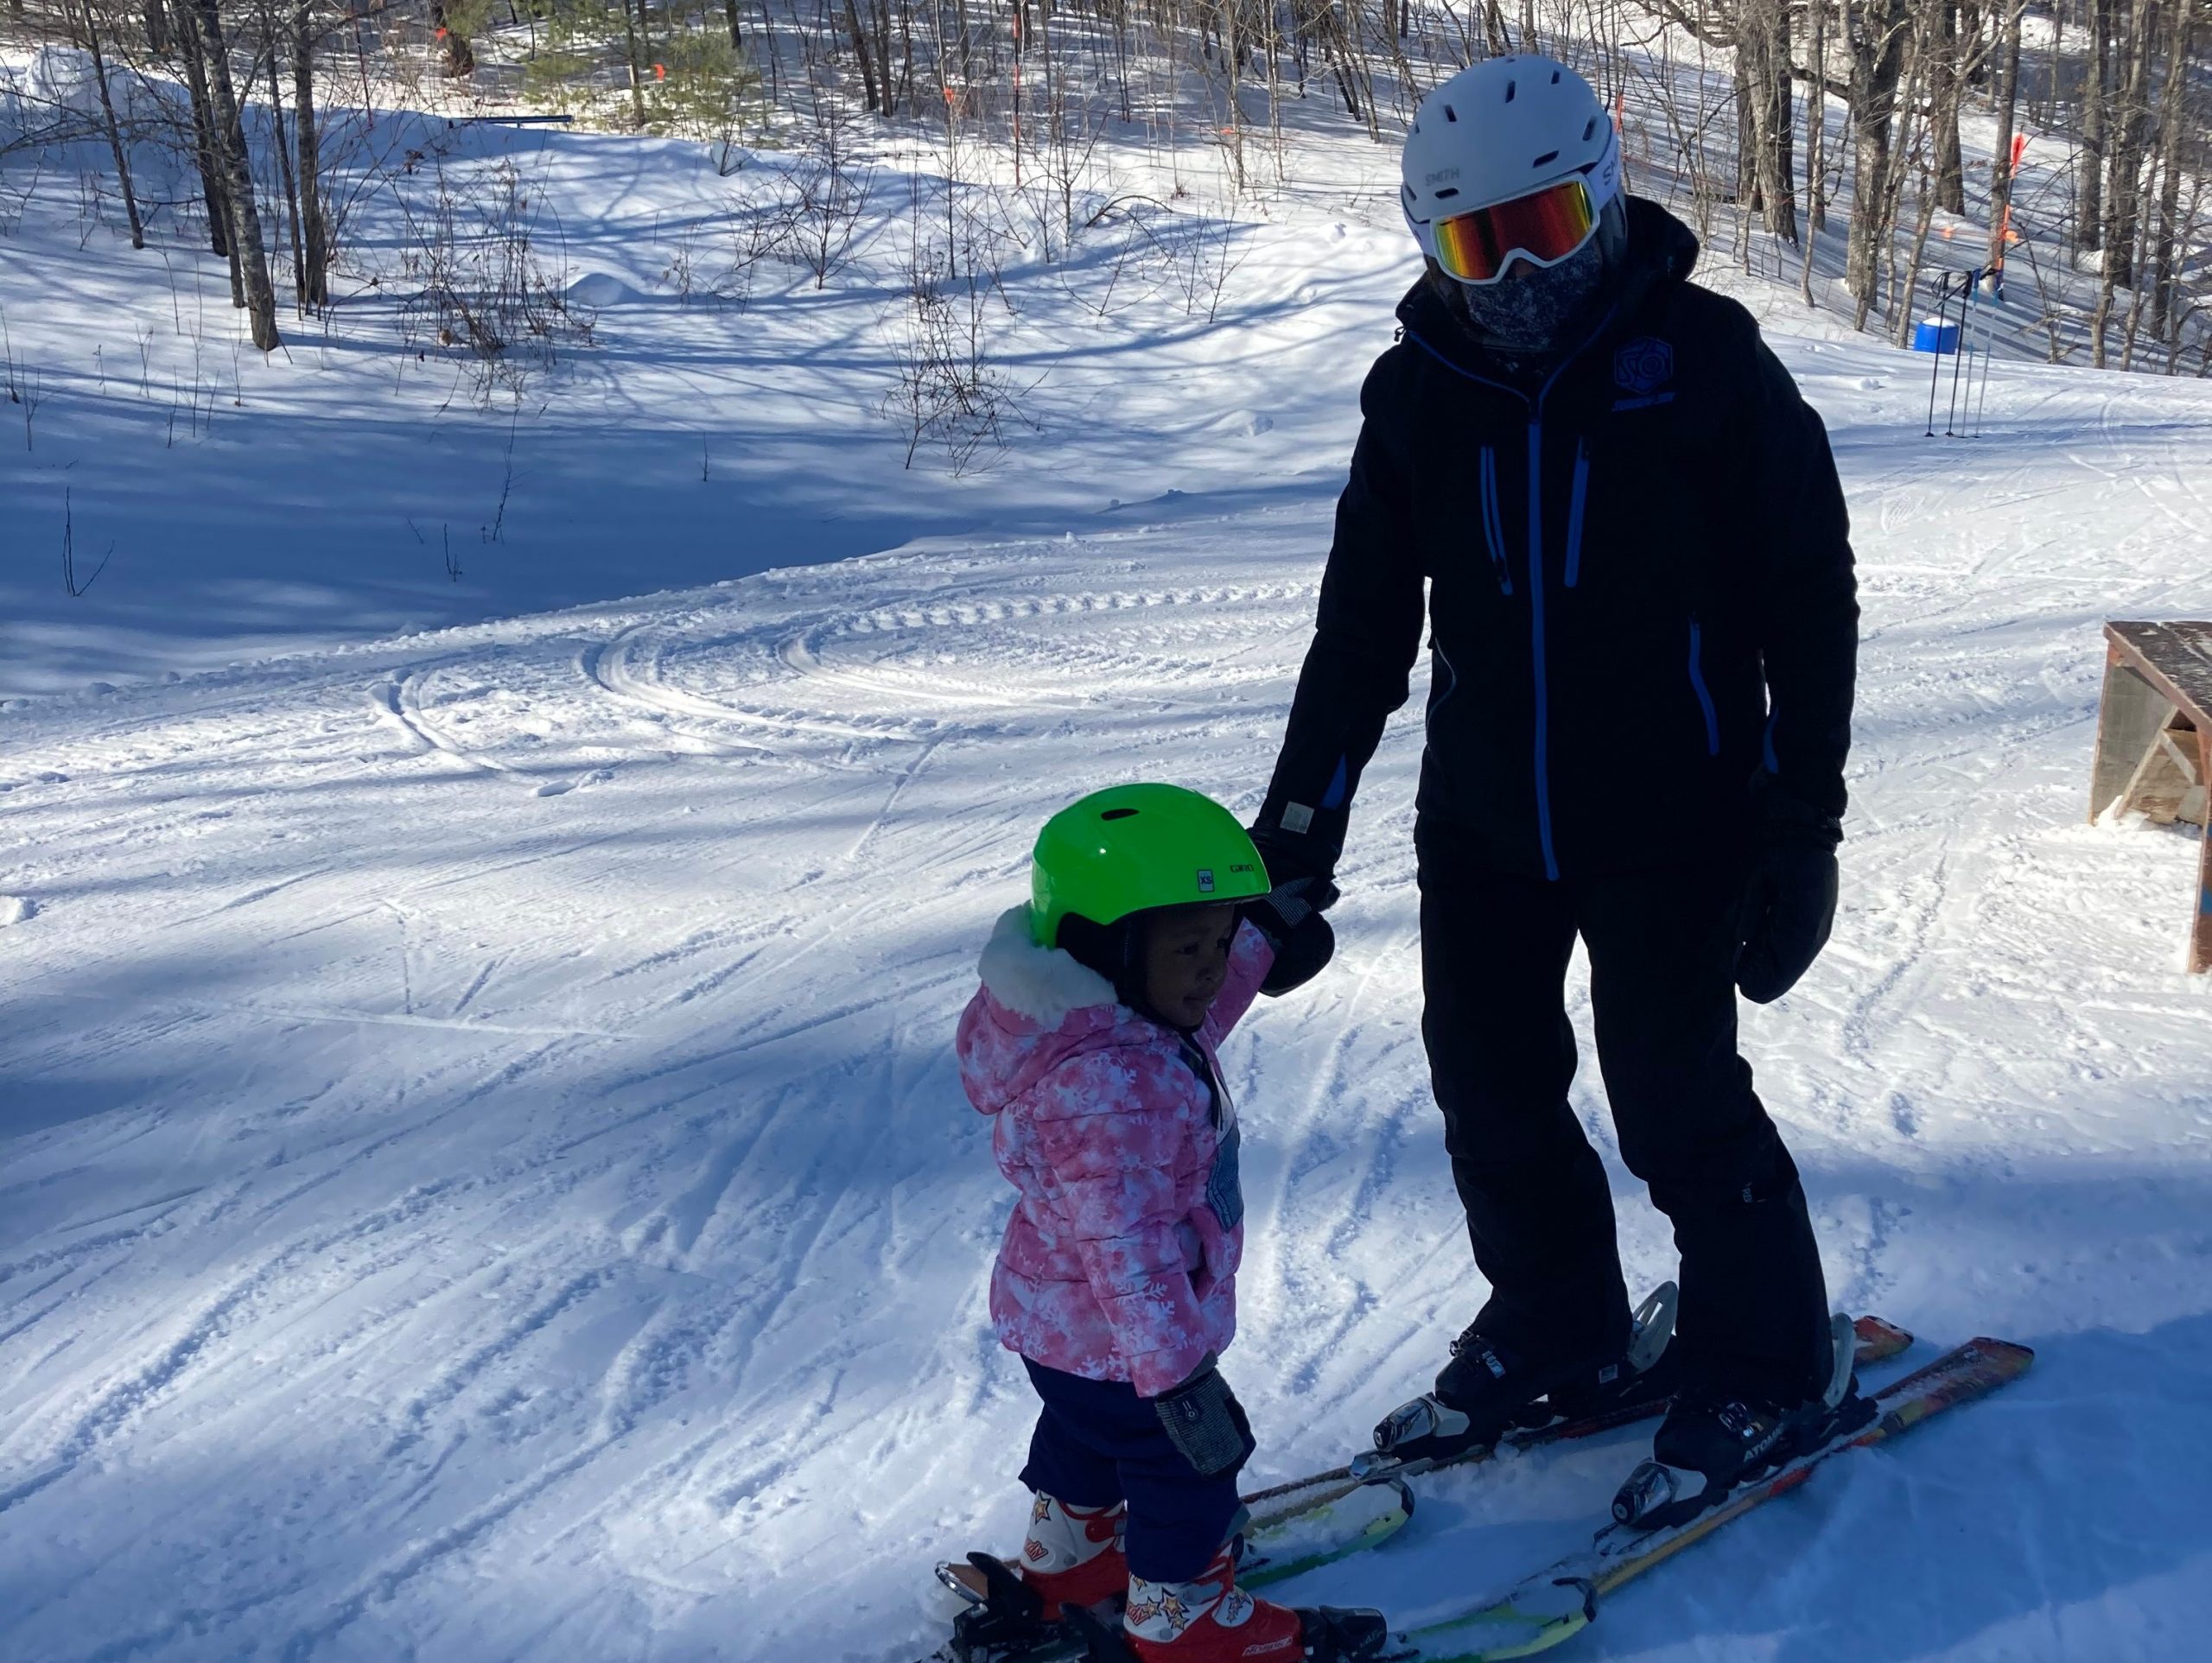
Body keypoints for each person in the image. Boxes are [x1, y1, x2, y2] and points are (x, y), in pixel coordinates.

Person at [1249, 54, 1866, 1527]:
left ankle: (1771, 1361)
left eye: (1543, 224)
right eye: (1478, 244)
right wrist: (1293, 842)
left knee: (1674, 1101)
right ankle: (1561, 1329)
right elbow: (1359, 638)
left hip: (1678, 816)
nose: (1518, 271)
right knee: (1491, 1089)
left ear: (1602, 192)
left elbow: (1809, 594)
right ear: (1429, 248)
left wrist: (1804, 817)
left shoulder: (1705, 360)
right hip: (1483, 823)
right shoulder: (1417, 397)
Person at [956, 783, 1382, 1660]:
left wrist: (1258, 941)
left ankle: (1069, 1556)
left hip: (1063, 1332)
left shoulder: (1087, 1023)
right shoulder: (1111, 1094)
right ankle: (1181, 1616)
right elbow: (1130, 1255)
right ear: (1104, 947)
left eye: (1218, 941)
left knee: (1085, 1436)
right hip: (1126, 1340)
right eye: (1191, 945)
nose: (1207, 967)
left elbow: (1189, 1020)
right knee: (1190, 1462)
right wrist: (1179, 1376)